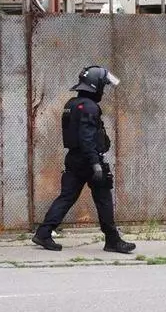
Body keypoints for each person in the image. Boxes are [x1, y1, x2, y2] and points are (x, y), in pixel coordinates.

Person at [32, 65, 136, 254]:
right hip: (89, 159)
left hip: (74, 158)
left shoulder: (72, 104)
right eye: (102, 86)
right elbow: (87, 138)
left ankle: (44, 232)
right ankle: (112, 240)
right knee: (103, 198)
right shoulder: (89, 107)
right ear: (95, 86)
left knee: (66, 197)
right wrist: (95, 164)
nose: (103, 90)